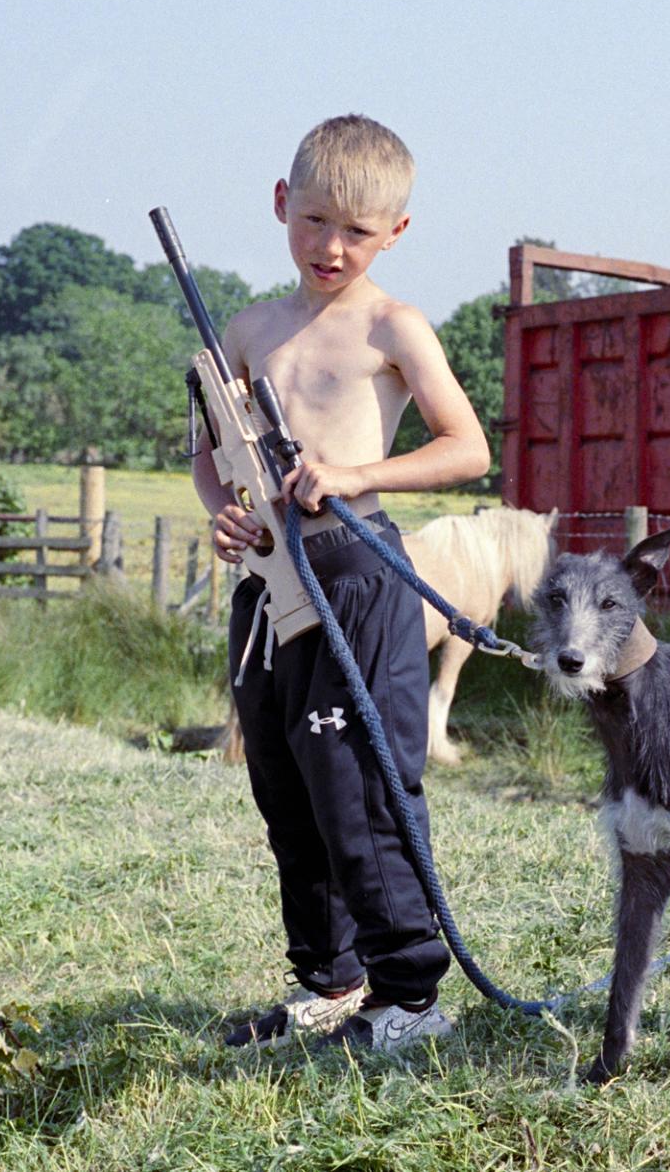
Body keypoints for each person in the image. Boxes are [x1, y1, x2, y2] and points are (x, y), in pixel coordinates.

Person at [193, 114, 490, 1054]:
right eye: (315, 220)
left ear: (395, 233)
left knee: (359, 784)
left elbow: (467, 448)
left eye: (358, 231)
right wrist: (226, 513)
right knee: (284, 783)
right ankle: (332, 979)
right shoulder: (246, 330)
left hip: (360, 576)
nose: (332, 246)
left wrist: (359, 475)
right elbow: (208, 454)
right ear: (282, 204)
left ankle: (412, 998)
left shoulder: (395, 326)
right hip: (268, 580)